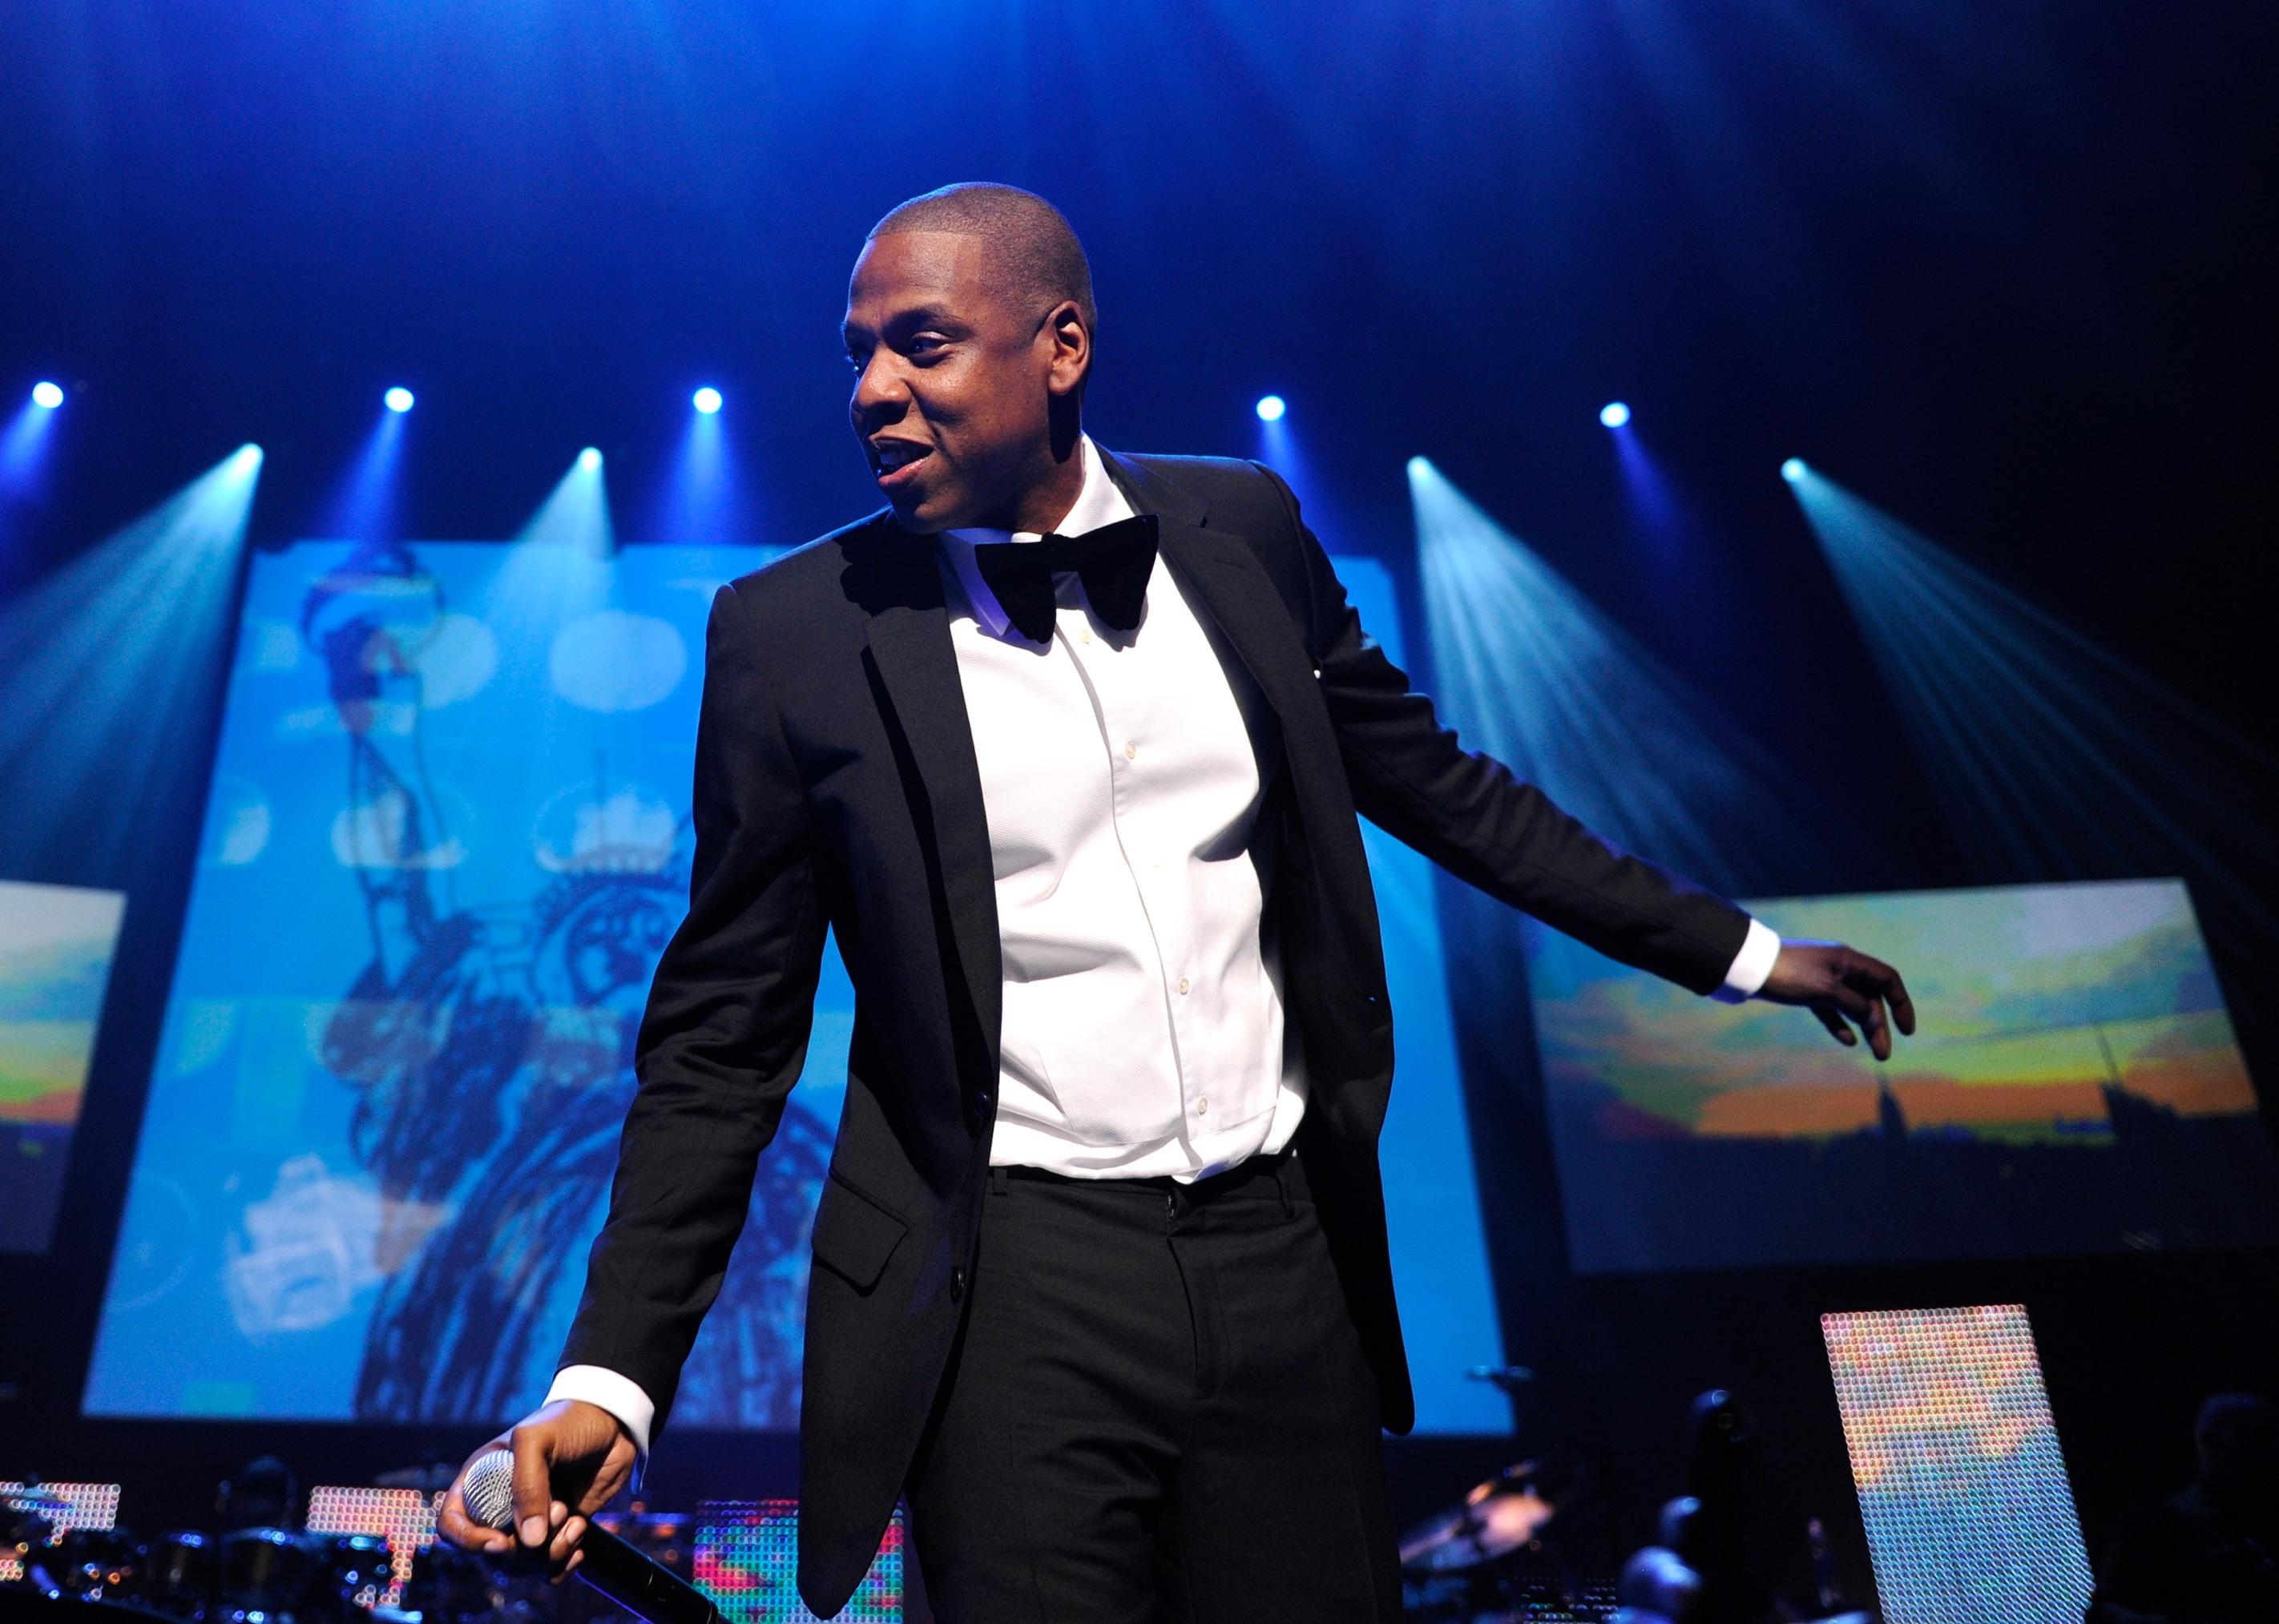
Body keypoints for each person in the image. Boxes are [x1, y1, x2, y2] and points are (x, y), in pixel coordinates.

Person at [437, 182, 1914, 1622]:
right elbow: (720, 1042)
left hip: (1285, 1260)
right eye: (857, 355)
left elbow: (1444, 790)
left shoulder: (1244, 533)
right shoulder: (792, 637)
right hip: (1015, 1289)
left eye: (923, 344)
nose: (874, 391)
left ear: (1062, 346)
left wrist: (1744, 953)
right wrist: (609, 1377)